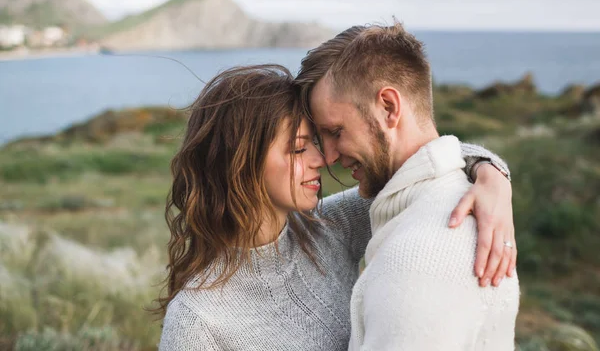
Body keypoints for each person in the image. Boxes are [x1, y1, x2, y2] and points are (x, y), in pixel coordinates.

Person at [157, 63, 514, 351]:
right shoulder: (196, 322)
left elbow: (419, 165)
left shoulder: (329, 227)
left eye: (316, 141)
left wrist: (490, 173)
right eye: (299, 149)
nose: (322, 158)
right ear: (239, 163)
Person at [296, 23, 519, 350]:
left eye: (335, 131)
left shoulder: (417, 263)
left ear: (389, 107)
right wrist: (490, 168)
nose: (328, 156)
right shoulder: (438, 198)